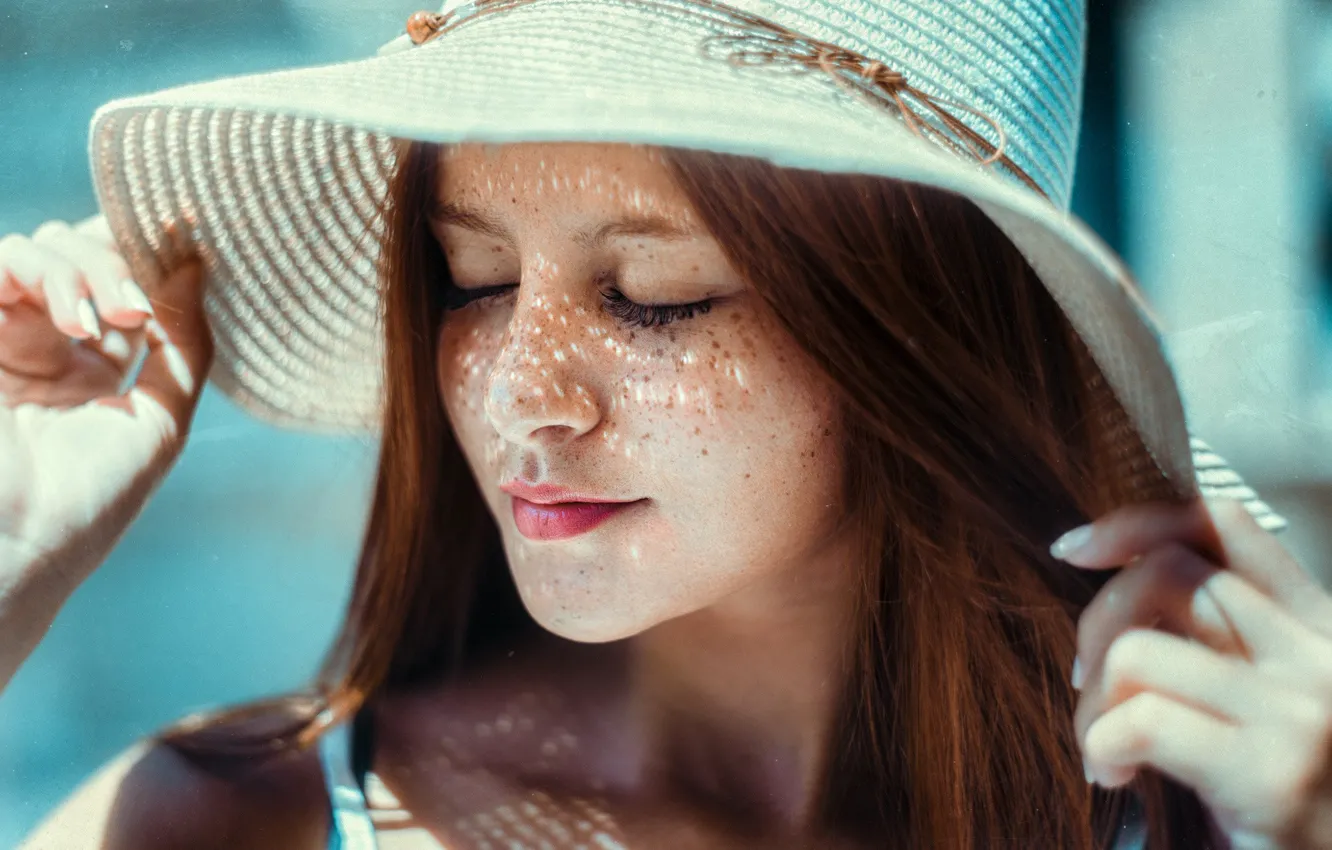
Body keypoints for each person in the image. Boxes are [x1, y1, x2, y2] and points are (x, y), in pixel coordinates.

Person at [4, 0, 1332, 847]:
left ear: (912, 325)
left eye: (655, 298)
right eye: (471, 279)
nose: (524, 390)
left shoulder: (1219, 807)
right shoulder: (237, 823)